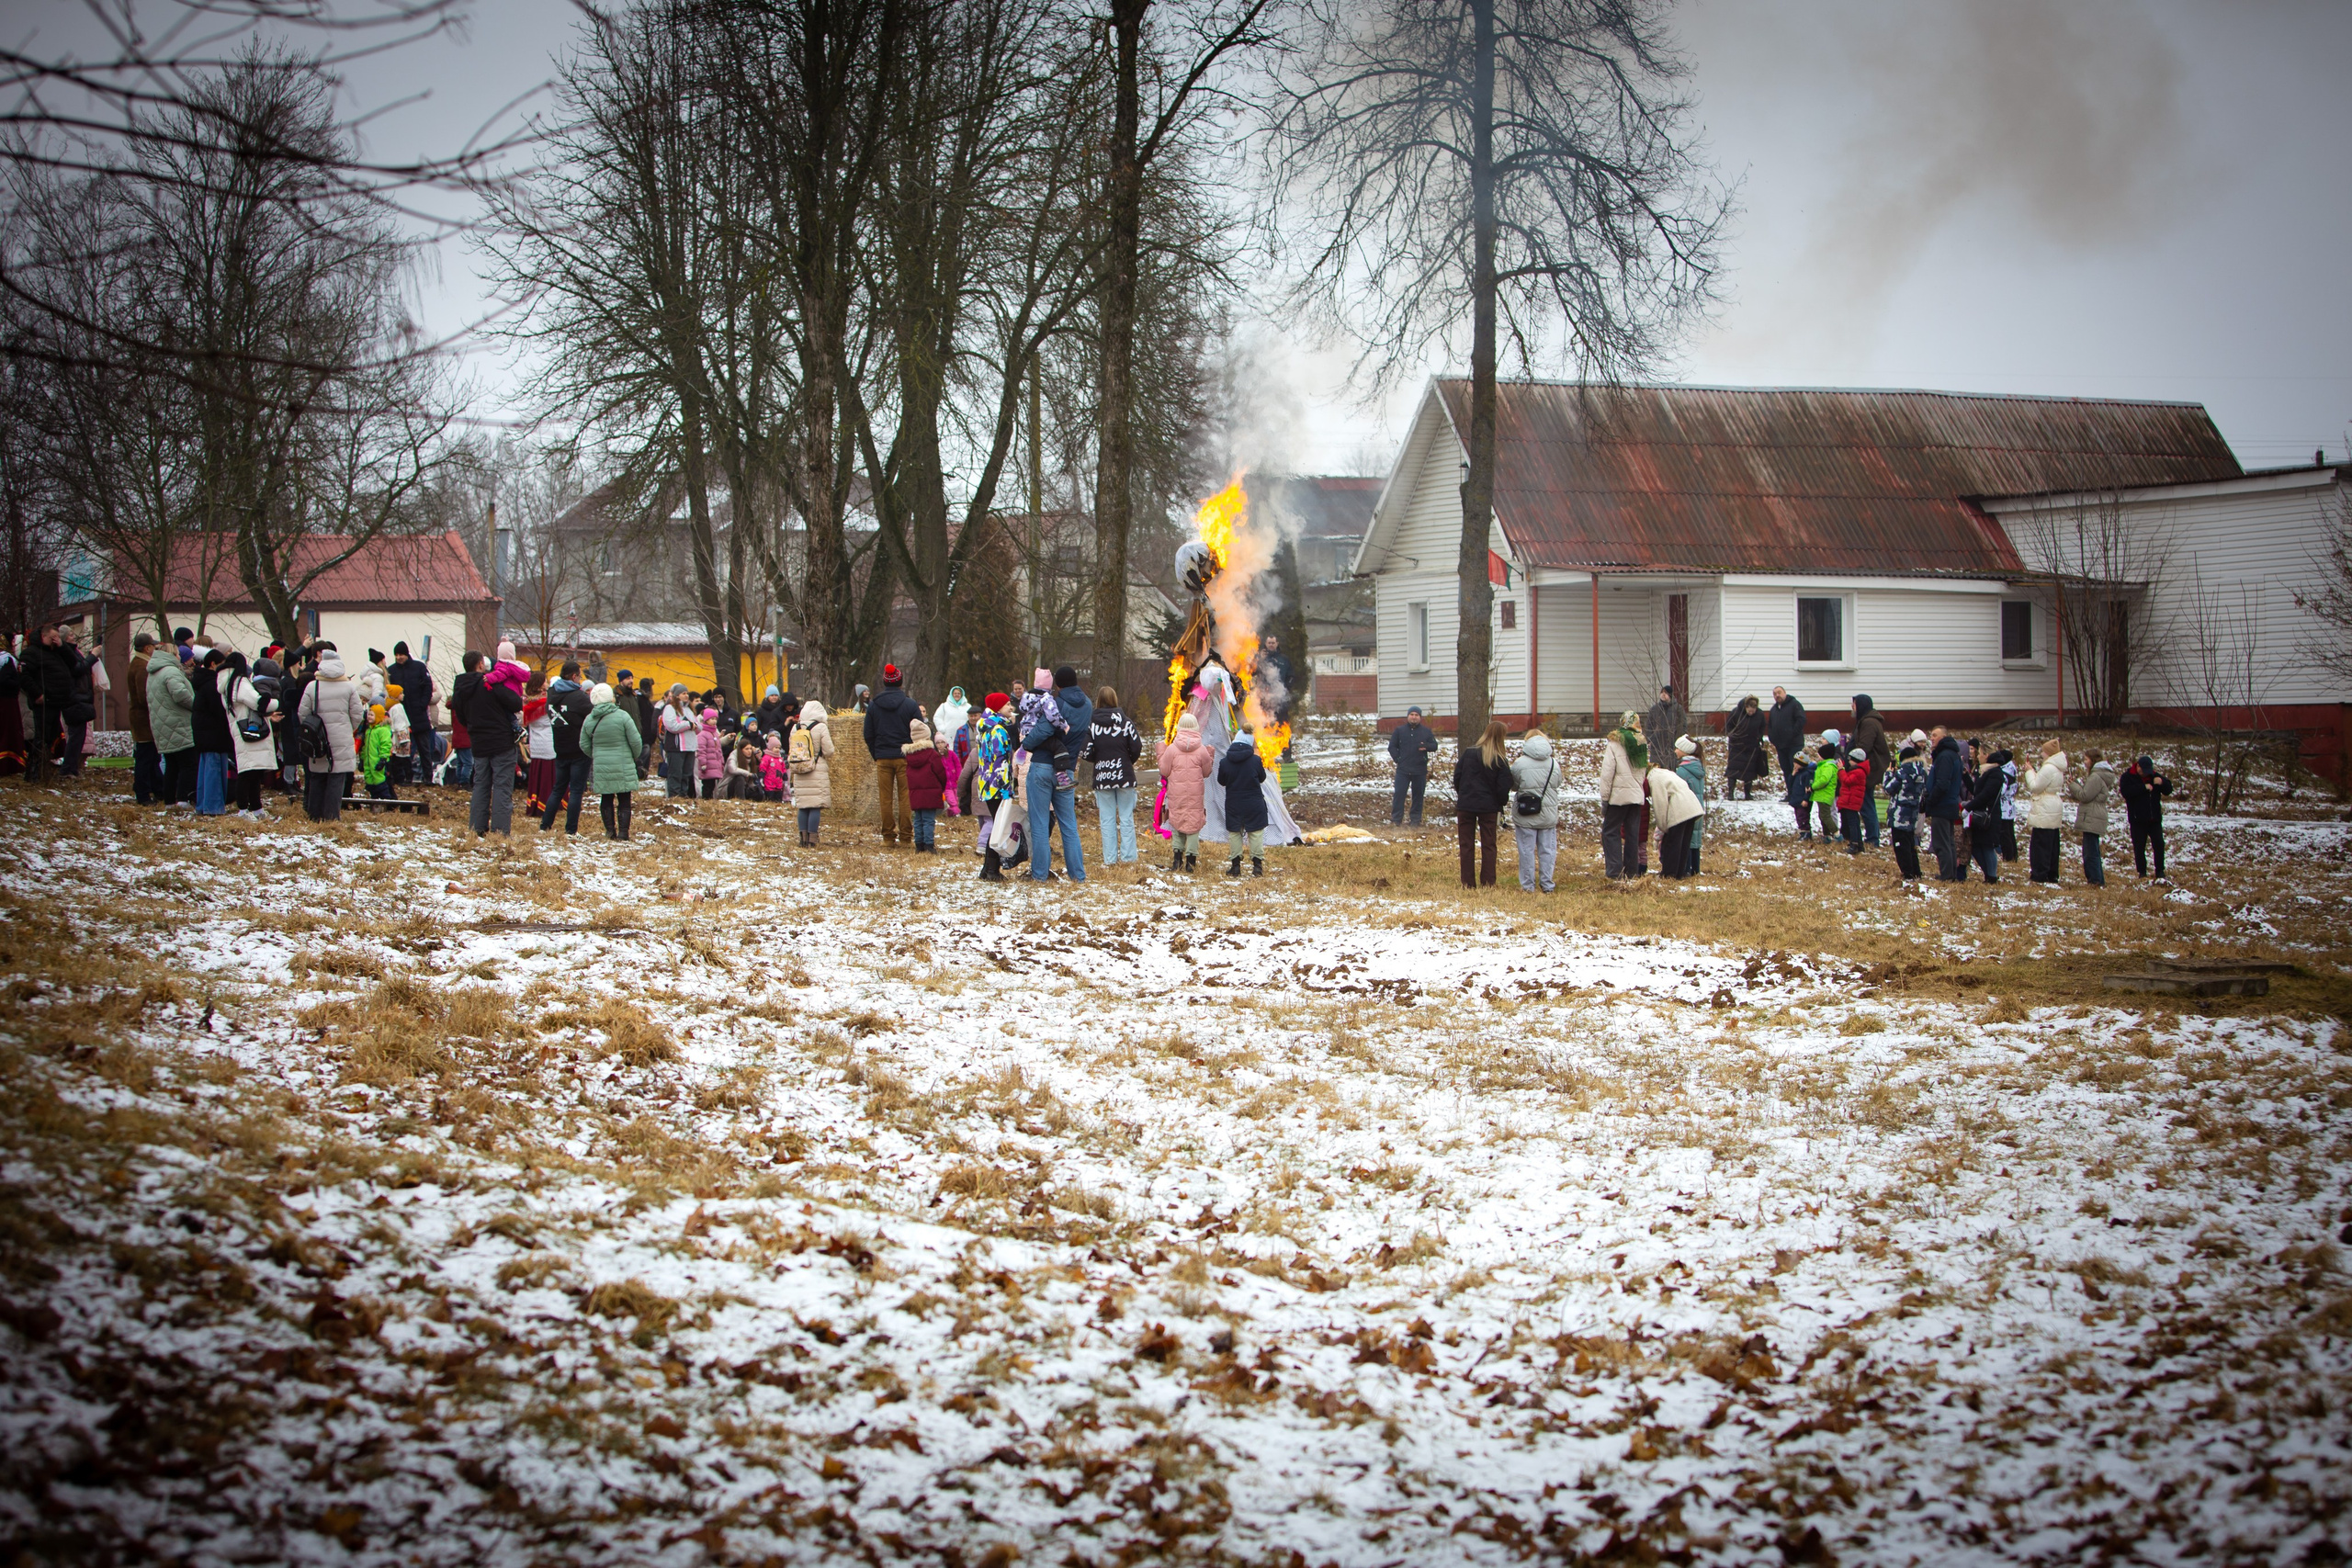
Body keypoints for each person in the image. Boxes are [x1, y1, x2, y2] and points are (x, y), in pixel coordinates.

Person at [1021, 667, 1091, 883]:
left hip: (1042, 765)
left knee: (1040, 823)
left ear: (1057, 685)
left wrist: (1026, 742)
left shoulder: (1056, 703)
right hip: (1066, 769)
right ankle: (1078, 875)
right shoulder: (1088, 705)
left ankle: (1040, 875)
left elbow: (1043, 730)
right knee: (1069, 824)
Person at [454, 649, 523, 838]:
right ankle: (500, 832)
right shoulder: (489, 683)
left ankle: (477, 828)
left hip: (478, 742)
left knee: (481, 784)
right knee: (502, 785)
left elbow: (461, 716)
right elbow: (516, 703)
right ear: (480, 665)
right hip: (501, 741)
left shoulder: (460, 688)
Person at [298, 649, 365, 822]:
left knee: (317, 777)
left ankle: (314, 816)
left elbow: (302, 714)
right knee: (337, 778)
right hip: (341, 738)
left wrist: (313, 731)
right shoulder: (349, 686)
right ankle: (332, 818)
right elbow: (358, 714)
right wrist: (347, 729)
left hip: (317, 739)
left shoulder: (313, 686)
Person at [1084, 685, 1144, 866]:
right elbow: (1137, 747)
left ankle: (1110, 860)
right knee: (1126, 818)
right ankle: (1128, 858)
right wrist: (1127, 761)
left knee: (1107, 819)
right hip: (1124, 775)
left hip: (1103, 776)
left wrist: (1099, 759)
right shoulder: (1126, 723)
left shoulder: (1092, 725)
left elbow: (1085, 751)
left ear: (1098, 702)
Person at [1451, 718, 1513, 889]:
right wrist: (1500, 803)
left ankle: (1468, 883)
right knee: (1489, 845)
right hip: (1488, 808)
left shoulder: (1469, 753)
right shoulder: (1500, 760)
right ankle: (1488, 882)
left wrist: (1463, 794)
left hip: (1466, 805)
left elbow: (1457, 777)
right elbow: (1503, 788)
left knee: (1466, 845)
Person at [579, 682, 643, 840]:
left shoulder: (589, 719)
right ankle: (623, 833)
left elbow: (583, 744)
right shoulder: (622, 716)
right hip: (623, 763)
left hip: (602, 764)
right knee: (624, 799)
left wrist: (597, 755)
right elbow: (636, 741)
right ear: (610, 698)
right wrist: (633, 756)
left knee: (606, 798)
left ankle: (609, 831)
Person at [864, 662, 918, 846]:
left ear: (885, 682)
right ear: (900, 682)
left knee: (885, 798)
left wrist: (876, 753)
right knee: (905, 797)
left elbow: (868, 733)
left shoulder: (873, 706)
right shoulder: (910, 704)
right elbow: (920, 730)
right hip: (905, 757)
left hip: (883, 757)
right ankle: (905, 837)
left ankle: (888, 838)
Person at [540, 661, 594, 835]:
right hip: (579, 748)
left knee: (558, 788)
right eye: (579, 676)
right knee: (576, 790)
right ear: (573, 676)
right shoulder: (578, 697)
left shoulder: (551, 694)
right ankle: (570, 830)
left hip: (560, 747)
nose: (580, 680)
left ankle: (545, 826)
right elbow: (594, 713)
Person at [1508, 728, 1564, 892]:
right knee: (1547, 850)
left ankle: (1528, 886)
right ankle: (1547, 884)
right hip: (1548, 812)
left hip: (1526, 812)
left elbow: (1514, 785)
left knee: (1526, 850)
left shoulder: (1519, 763)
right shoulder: (1554, 763)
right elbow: (1558, 782)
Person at [1158, 711, 1213, 874]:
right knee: (1194, 826)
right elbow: (1206, 772)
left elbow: (1164, 771)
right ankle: (1191, 861)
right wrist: (1211, 756)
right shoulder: (1202, 749)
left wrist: (1161, 753)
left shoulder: (1172, 749)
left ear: (1179, 727)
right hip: (1196, 794)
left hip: (1176, 793)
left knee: (1177, 821)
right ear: (1196, 727)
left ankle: (1177, 860)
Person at [146, 633, 197, 806]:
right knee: (187, 764)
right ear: (171, 655)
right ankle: (182, 800)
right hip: (179, 724)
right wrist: (196, 705)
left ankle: (169, 801)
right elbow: (180, 695)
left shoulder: (154, 672)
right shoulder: (171, 671)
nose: (179, 657)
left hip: (163, 725)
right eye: (177, 654)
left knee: (172, 766)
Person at [225, 651, 277, 817]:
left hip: (241, 728)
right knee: (248, 773)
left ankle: (256, 808)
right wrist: (274, 701)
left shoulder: (228, 683)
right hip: (248, 729)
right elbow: (260, 703)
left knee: (252, 771)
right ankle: (244, 809)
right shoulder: (241, 683)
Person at [1598, 711, 1648, 879]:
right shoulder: (1641, 743)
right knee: (1632, 834)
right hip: (1635, 796)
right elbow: (1642, 773)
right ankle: (1631, 872)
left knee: (1610, 832)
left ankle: (1614, 872)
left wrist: (1605, 798)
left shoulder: (1614, 743)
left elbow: (1607, 773)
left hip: (1618, 797)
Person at [1645, 748, 1704, 880]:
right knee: (1683, 843)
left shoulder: (1654, 779)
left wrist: (1663, 828)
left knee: (1672, 843)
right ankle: (1679, 873)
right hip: (1693, 806)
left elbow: (1660, 806)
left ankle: (1668, 874)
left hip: (1680, 808)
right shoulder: (1664, 772)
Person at [1219, 728, 1272, 877]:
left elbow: (1221, 781)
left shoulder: (1225, 762)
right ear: (1249, 743)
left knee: (1235, 834)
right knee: (1255, 833)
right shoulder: (1256, 760)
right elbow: (1262, 778)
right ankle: (1257, 867)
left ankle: (1235, 867)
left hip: (1233, 804)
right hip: (1254, 803)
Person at [190, 648, 235, 816]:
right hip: (214, 734)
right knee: (214, 771)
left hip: (205, 734)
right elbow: (220, 710)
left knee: (206, 771)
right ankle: (213, 806)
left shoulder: (202, 683)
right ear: (213, 664)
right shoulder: (213, 686)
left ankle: (204, 804)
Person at [385, 641, 434, 784]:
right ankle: (405, 777)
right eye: (397, 655)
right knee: (402, 749)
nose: (399, 657)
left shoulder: (419, 667)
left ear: (407, 654)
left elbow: (428, 686)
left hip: (418, 714)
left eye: (401, 654)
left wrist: (422, 704)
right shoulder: (392, 670)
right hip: (401, 716)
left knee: (424, 748)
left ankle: (427, 777)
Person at [1920, 728, 1965, 881]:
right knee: (1948, 841)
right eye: (1930, 735)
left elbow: (1942, 784)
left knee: (1941, 843)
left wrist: (1930, 800)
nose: (1931, 738)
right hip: (1949, 804)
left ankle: (1947, 876)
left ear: (1944, 737)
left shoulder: (1945, 756)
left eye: (1934, 735)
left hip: (1943, 805)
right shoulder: (1952, 755)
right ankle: (1950, 874)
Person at [2118, 755, 2172, 880]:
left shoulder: (2154, 775)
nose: (2145, 774)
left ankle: (2160, 871)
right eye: (2143, 771)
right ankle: (2142, 872)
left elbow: (2168, 790)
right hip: (2137, 820)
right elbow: (2126, 792)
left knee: (2159, 844)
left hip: (2154, 819)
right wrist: (2144, 788)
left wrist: (2162, 782)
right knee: (2139, 846)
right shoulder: (2127, 777)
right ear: (2138, 767)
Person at [789, 699, 834, 844]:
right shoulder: (821, 727)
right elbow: (829, 751)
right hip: (817, 768)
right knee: (815, 806)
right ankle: (813, 838)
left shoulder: (795, 728)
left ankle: (803, 838)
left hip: (799, 768)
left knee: (803, 805)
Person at [2022, 739, 2067, 885]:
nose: (2041, 754)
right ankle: (2051, 874)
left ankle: (2039, 874)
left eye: (2043, 751)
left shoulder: (2048, 768)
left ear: (2048, 753)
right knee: (2052, 843)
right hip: (2052, 806)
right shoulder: (2057, 768)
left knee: (2040, 843)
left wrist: (2029, 772)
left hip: (2044, 808)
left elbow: (2035, 786)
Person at [900, 718, 946, 852]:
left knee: (918, 819)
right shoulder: (932, 754)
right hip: (931, 793)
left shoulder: (909, 756)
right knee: (928, 820)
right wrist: (940, 788)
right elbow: (941, 773)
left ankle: (919, 844)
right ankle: (929, 845)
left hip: (915, 793)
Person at [1884, 739, 1928, 881]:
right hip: (1912, 814)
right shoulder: (1922, 772)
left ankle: (1907, 873)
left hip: (1899, 814)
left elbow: (1888, 789)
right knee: (1910, 844)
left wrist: (1888, 774)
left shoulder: (1903, 772)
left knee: (1900, 845)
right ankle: (1916, 872)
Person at [2070, 749, 2113, 888]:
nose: (2084, 762)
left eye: (2086, 759)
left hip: (2092, 816)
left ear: (2093, 760)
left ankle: (2095, 880)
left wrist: (2073, 785)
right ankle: (2097, 879)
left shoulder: (2095, 777)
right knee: (2092, 849)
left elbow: (2084, 796)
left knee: (2090, 852)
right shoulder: (2101, 776)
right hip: (2095, 815)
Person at [1388, 706, 1439, 826]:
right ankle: (1396, 819)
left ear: (1420, 717)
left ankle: (1415, 820)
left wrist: (1426, 746)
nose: (1414, 717)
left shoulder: (1426, 732)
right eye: (1412, 714)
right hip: (1403, 770)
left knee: (1418, 796)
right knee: (1399, 794)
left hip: (1419, 769)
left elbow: (1434, 746)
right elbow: (1392, 747)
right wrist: (1398, 759)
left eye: (1416, 715)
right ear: (1408, 716)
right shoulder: (1399, 731)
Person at [1850, 695, 1890, 848]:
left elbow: (1864, 747)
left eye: (1854, 704)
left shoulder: (1869, 722)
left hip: (1869, 769)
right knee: (1867, 802)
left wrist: (1853, 759)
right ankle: (1872, 836)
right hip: (1868, 767)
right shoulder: (1867, 721)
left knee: (1866, 803)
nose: (1852, 708)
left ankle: (1873, 838)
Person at [128, 631, 160, 804]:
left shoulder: (138, 663)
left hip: (142, 719)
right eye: (153, 646)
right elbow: (143, 696)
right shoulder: (142, 667)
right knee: (145, 758)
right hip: (144, 720)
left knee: (151, 757)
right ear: (147, 648)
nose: (155, 649)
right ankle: (143, 794)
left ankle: (157, 789)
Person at [1966, 749, 2007, 882]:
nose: (1977, 756)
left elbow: (1985, 795)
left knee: (1987, 846)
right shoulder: (1985, 771)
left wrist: (1969, 807)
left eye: (1980, 754)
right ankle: (1988, 874)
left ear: (1986, 755)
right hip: (1981, 814)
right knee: (1976, 846)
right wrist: (1966, 777)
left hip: (1988, 816)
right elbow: (1977, 791)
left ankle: (1991, 877)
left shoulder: (1995, 773)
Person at [521, 673, 555, 818]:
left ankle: (535, 803)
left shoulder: (527, 703)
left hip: (535, 742)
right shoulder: (545, 702)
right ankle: (548, 803)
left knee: (537, 775)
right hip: (548, 741)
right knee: (548, 776)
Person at [1674, 737, 1709, 874]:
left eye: (1677, 748)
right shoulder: (1698, 768)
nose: (1675, 750)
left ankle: (1686, 868)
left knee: (1686, 838)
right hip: (1698, 808)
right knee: (1695, 839)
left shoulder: (1683, 771)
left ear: (1684, 751)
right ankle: (1695, 869)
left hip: (1687, 809)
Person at [658, 684, 697, 797]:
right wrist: (688, 725)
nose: (686, 695)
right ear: (677, 695)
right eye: (683, 693)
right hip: (676, 747)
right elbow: (672, 726)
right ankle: (674, 797)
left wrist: (694, 725)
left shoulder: (689, 709)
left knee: (686, 774)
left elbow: (697, 726)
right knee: (675, 773)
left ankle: (683, 795)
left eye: (687, 693)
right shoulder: (670, 708)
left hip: (690, 746)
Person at [1724, 696, 1767, 799]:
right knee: (1733, 770)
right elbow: (1728, 727)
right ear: (1745, 707)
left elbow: (1763, 727)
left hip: (1752, 746)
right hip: (1737, 746)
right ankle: (1731, 792)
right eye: (1749, 710)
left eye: (1753, 711)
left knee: (1750, 771)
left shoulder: (1760, 714)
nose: (1751, 713)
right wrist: (1733, 736)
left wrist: (1758, 737)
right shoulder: (1736, 712)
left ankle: (1747, 794)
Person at [1766, 686, 1805, 784]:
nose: (1777, 695)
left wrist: (1792, 734)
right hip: (1780, 746)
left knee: (1795, 769)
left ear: (1785, 693)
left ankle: (1797, 793)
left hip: (1794, 744)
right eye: (1774, 694)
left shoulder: (1794, 704)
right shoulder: (1774, 709)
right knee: (1786, 769)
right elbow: (1770, 725)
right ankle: (1790, 793)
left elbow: (1801, 720)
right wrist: (1772, 738)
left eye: (1779, 692)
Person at [1835, 746, 1870, 853]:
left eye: (1850, 759)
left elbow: (1846, 781)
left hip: (1851, 802)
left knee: (1853, 824)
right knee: (1854, 823)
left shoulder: (1858, 772)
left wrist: (1841, 770)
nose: (1849, 761)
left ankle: (1854, 844)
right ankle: (1858, 844)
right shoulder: (1857, 770)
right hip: (1850, 801)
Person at [360, 703, 398, 800]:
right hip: (369, 761)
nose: (369, 717)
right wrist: (363, 758)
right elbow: (366, 746)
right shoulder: (369, 730)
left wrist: (383, 759)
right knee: (369, 780)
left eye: (372, 715)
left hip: (377, 760)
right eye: (369, 714)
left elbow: (386, 745)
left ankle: (386, 800)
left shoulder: (382, 730)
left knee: (380, 781)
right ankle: (375, 799)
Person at [1644, 684, 1686, 768]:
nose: (1663, 694)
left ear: (1670, 695)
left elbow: (1682, 726)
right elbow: (1649, 726)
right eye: (1662, 692)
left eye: (1665, 693)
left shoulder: (1678, 709)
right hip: (1657, 746)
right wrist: (1650, 739)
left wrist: (1678, 741)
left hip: (1672, 745)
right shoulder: (1654, 709)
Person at [1811, 740, 1841, 843]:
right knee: (1822, 815)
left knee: (1825, 816)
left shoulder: (1828, 766)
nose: (1818, 756)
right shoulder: (1823, 765)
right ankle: (1826, 835)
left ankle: (1836, 834)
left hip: (1825, 794)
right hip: (1821, 795)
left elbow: (1824, 780)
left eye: (1819, 754)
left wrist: (1813, 787)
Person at [695, 705, 724, 800]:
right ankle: (706, 799)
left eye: (715, 719)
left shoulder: (715, 733)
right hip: (707, 765)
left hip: (715, 765)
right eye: (712, 719)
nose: (714, 721)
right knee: (707, 785)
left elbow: (719, 749)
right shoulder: (702, 734)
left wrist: (721, 762)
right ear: (706, 720)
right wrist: (703, 763)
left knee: (712, 785)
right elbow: (701, 750)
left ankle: (710, 799)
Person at [759, 733, 789, 803]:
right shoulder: (767, 758)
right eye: (776, 748)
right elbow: (763, 767)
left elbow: (783, 768)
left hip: (778, 784)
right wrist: (761, 777)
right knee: (770, 799)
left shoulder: (780, 759)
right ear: (771, 747)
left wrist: (785, 777)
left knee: (778, 799)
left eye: (779, 748)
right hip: (769, 784)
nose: (778, 750)